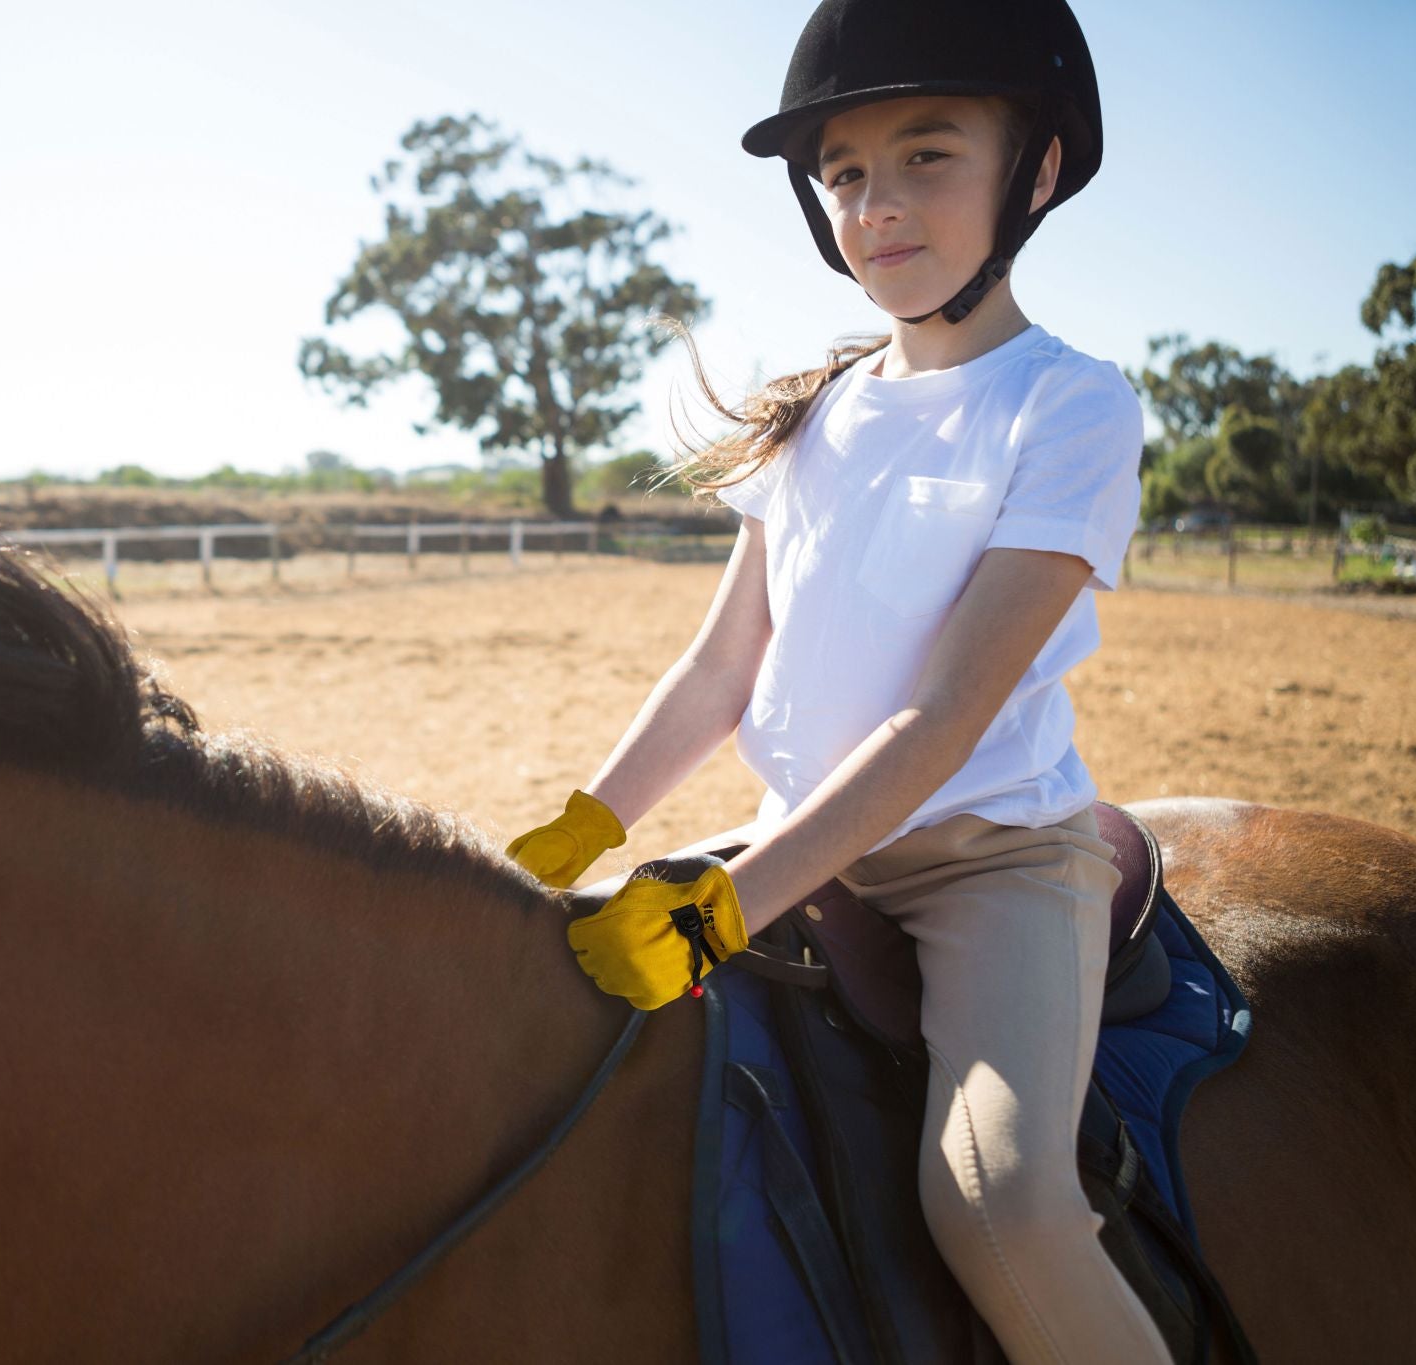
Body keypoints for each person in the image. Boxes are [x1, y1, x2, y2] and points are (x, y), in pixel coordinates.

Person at [504, 1, 1170, 1362]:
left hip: (990, 863)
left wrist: (729, 905)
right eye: (846, 172)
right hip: (800, 840)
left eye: (927, 156)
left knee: (996, 1201)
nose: (877, 206)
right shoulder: (811, 414)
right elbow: (718, 670)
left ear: (1037, 170)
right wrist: (590, 820)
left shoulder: (1070, 404)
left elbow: (943, 718)